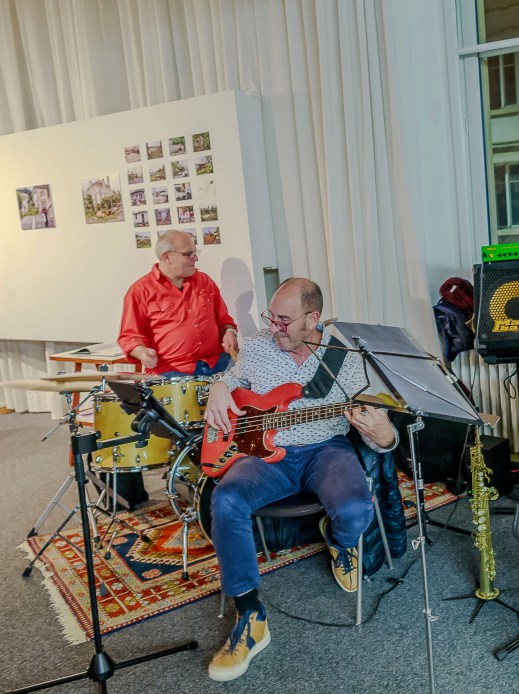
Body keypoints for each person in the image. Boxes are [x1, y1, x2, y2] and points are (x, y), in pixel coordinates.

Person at [202, 277, 398, 682]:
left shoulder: (344, 358)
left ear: (312, 318)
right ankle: (250, 616)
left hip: (325, 449)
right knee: (226, 500)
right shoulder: (257, 345)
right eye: (271, 317)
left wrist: (385, 435)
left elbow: (378, 429)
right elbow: (235, 378)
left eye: (284, 320)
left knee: (355, 510)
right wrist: (219, 386)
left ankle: (339, 541)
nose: (273, 327)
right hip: (264, 455)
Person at [118, 229, 239, 377]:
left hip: (218, 362)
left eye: (195, 253)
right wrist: (142, 353)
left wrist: (229, 332)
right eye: (188, 254)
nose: (195, 258)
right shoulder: (140, 291)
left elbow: (224, 320)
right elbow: (129, 337)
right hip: (173, 370)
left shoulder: (204, 281)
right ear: (167, 257)